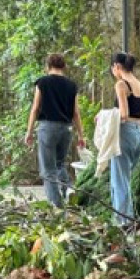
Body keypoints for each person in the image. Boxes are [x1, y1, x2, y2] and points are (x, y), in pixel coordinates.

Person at [24, 53, 85, 206]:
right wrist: (81, 135)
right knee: (60, 164)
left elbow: (35, 108)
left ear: (47, 66)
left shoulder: (42, 83)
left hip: (47, 127)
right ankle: (68, 191)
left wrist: (29, 131)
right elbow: (76, 112)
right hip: (66, 128)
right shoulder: (71, 85)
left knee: (48, 169)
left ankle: (55, 203)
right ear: (64, 67)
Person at [109, 51, 140, 226]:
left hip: (125, 133)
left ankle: (123, 222)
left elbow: (123, 114)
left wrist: (103, 116)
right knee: (126, 179)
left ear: (117, 67)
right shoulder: (137, 83)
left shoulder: (121, 84)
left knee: (120, 180)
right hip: (139, 133)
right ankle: (127, 218)